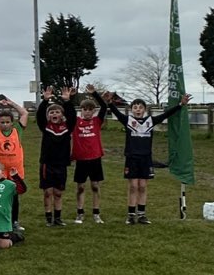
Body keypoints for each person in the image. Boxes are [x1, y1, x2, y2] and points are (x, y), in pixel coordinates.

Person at [107, 90, 191, 224]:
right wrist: (110, 102)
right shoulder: (128, 120)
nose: (138, 109)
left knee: (142, 186)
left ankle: (142, 215)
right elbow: (116, 112)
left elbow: (166, 114)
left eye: (140, 107)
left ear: (145, 109)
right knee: (133, 186)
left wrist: (180, 104)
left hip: (146, 158)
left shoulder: (150, 121)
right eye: (135, 107)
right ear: (131, 109)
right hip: (132, 158)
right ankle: (131, 215)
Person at [0, 97, 29, 231]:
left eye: (7, 122)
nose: (4, 124)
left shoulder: (17, 131)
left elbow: (24, 113)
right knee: (0, 197)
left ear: (12, 123)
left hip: (15, 171)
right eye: (2, 122)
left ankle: (14, 221)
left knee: (14, 198)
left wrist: (11, 104)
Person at [37, 87, 77, 227]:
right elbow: (40, 115)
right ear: (49, 115)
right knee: (48, 192)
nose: (54, 113)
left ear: (62, 114)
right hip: (47, 164)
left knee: (58, 192)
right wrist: (45, 100)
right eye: (52, 112)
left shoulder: (67, 127)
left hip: (61, 164)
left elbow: (73, 116)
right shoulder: (45, 127)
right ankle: (48, 218)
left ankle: (58, 218)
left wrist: (67, 101)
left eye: (57, 111)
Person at [72, 86, 108, 224]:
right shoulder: (75, 122)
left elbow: (104, 107)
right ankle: (80, 212)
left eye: (90, 110)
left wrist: (94, 94)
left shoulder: (97, 122)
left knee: (95, 186)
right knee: (80, 187)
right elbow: (68, 110)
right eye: (84, 110)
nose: (87, 112)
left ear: (93, 111)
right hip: (81, 160)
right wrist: (71, 97)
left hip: (95, 159)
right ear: (81, 111)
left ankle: (96, 213)